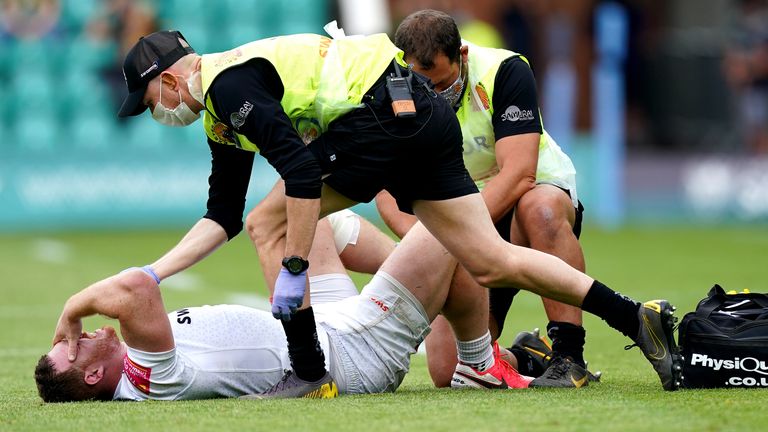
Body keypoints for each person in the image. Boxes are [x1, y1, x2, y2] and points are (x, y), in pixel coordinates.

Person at [74, 28, 681, 398]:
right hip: (414, 110)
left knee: (275, 222)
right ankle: (634, 316)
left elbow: (302, 175)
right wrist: (152, 275)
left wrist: (292, 268)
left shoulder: (227, 88)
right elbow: (221, 216)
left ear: (169, 79)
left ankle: (309, 368)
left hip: (385, 112)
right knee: (491, 261)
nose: (154, 111)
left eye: (148, 98)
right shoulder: (219, 112)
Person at [37, 213, 533, 402]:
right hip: (351, 356)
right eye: (73, 347)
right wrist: (71, 307)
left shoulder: (137, 366)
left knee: (300, 220)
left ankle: (428, 287)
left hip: (324, 328)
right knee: (443, 227)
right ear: (91, 377)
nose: (80, 335)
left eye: (68, 336)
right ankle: (477, 361)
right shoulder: (146, 376)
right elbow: (133, 289)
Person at [376, 8, 593, 388]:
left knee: (538, 210)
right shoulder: (387, 87)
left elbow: (520, 172)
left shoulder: (505, 70)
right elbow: (385, 192)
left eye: (443, 84)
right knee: (449, 371)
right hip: (463, 225)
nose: (435, 96)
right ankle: (528, 355)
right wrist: (439, 244)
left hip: (528, 194)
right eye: (423, 86)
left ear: (461, 56)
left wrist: (460, 234)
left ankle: (569, 357)